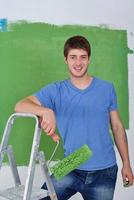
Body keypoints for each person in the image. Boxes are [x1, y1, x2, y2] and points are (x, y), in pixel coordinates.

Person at [15, 35, 133, 200]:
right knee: (42, 198)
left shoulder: (106, 88)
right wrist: (45, 111)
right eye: (73, 57)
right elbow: (20, 105)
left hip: (104, 170)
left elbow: (118, 127)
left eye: (83, 57)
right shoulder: (56, 90)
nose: (78, 63)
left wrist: (126, 163)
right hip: (72, 161)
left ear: (89, 59)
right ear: (66, 60)